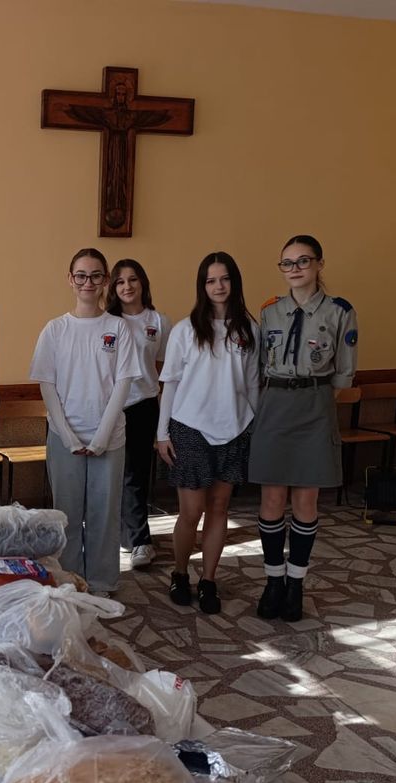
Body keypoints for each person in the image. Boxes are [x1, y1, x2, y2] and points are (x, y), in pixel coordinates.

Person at [248, 235, 357, 621]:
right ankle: (273, 580)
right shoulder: (269, 311)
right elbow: (259, 366)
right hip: (275, 405)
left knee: (305, 502)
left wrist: (315, 399)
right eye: (287, 263)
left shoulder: (340, 311)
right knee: (271, 500)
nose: (294, 269)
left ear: (319, 264)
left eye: (303, 261)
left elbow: (343, 374)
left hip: (315, 404)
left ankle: (296, 584)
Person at [30, 248, 138, 595]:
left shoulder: (118, 328)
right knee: (67, 514)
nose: (87, 282)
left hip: (109, 438)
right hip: (66, 438)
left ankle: (103, 580)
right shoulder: (55, 330)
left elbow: (123, 383)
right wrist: (68, 436)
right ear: (70, 279)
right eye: (81, 275)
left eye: (95, 275)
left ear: (105, 280)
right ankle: (71, 579)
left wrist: (102, 436)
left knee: (104, 513)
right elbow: (47, 386)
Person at [156, 252, 259, 614]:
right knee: (191, 511)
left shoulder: (249, 329)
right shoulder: (185, 330)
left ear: (234, 282)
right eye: (211, 280)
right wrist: (162, 433)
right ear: (202, 286)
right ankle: (180, 572)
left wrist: (255, 426)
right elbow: (170, 383)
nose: (218, 286)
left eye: (224, 279)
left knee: (219, 508)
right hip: (190, 429)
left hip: (235, 429)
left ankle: (209, 580)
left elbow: (252, 385)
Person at [107, 259, 172, 569]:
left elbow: (160, 368)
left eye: (133, 279)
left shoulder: (158, 321)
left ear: (143, 282)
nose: (127, 286)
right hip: (111, 407)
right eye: (120, 281)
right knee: (110, 474)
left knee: (136, 474)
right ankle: (120, 534)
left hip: (143, 405)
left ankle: (140, 541)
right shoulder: (107, 321)